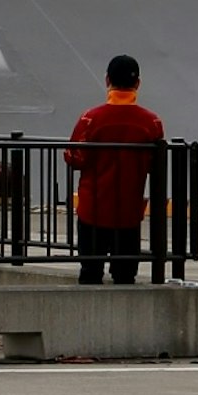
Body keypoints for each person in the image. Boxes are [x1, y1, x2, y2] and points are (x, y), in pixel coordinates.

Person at [65, 54, 166, 285]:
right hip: (128, 212)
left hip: (94, 208)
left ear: (107, 80)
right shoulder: (152, 122)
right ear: (137, 83)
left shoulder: (90, 118)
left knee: (90, 272)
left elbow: (74, 158)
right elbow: (155, 164)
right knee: (125, 275)